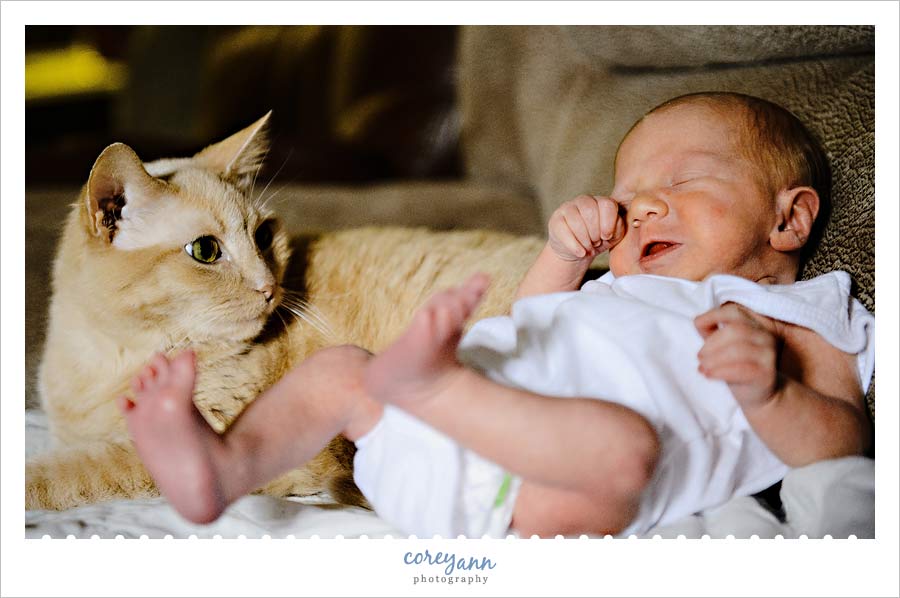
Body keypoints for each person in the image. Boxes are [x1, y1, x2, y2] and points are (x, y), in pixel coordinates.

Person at [119, 92, 874, 538]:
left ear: (789, 219)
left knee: (624, 448)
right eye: (627, 194)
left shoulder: (796, 314)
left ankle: (434, 387)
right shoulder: (621, 290)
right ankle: (223, 466)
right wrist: (564, 258)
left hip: (546, 496)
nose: (642, 204)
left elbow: (841, 443)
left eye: (682, 182)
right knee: (343, 371)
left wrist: (771, 393)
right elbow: (533, 328)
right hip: (436, 436)